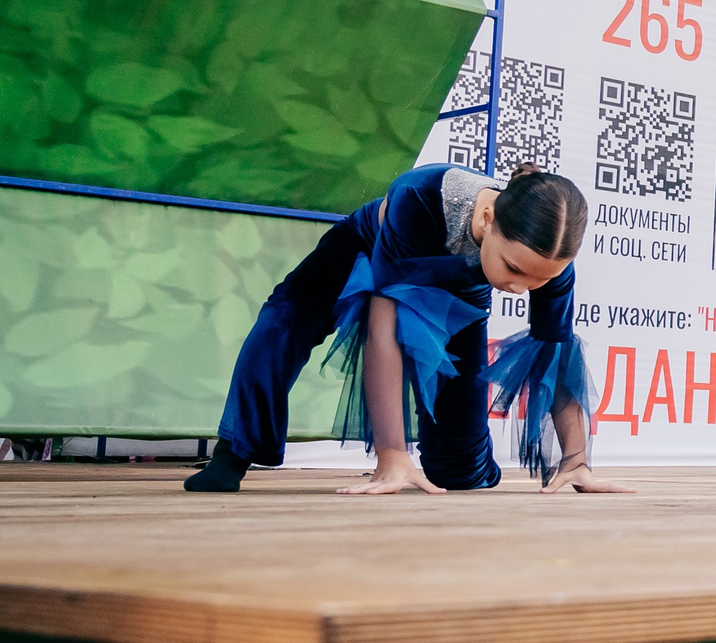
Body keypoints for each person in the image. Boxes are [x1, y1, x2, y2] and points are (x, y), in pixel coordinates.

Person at [184, 164, 624, 496]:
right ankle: (235, 450)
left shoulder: (548, 261)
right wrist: (392, 454)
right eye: (512, 268)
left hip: (456, 289)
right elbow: (384, 332)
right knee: (284, 321)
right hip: (369, 250)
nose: (520, 287)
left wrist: (575, 457)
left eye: (539, 280)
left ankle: (458, 462)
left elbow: (554, 353)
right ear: (488, 218)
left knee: (462, 473)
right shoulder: (419, 196)